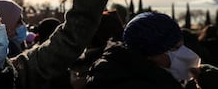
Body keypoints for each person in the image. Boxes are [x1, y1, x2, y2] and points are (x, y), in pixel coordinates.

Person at [84, 11, 218, 89]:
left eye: (182, 46)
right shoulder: (129, 84)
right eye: (174, 48)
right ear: (147, 53)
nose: (186, 54)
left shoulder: (152, 77)